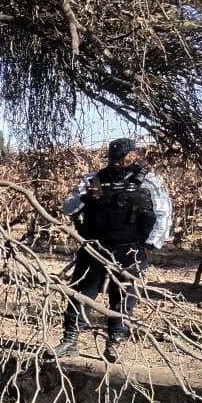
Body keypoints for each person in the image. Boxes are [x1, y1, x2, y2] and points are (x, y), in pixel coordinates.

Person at [55, 137, 172, 363]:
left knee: (123, 296)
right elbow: (67, 207)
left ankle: (115, 343)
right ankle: (70, 340)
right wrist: (86, 197)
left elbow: (163, 215)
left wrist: (150, 246)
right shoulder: (94, 179)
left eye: (122, 158)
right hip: (95, 246)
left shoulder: (150, 181)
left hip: (130, 249)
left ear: (133, 155)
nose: (117, 162)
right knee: (80, 292)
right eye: (114, 158)